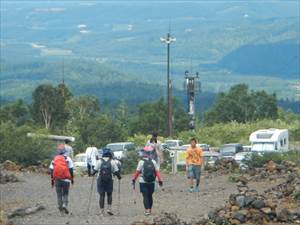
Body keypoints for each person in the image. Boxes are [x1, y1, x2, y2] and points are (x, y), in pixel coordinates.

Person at [132, 146, 163, 216]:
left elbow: (137, 172)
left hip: (143, 181)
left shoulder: (141, 162)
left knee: (145, 196)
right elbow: (157, 172)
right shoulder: (153, 161)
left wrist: (134, 179)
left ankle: (147, 210)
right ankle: (150, 209)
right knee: (150, 195)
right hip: (152, 182)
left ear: (143, 153)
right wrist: (160, 180)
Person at [93, 148, 121, 215]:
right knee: (109, 194)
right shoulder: (112, 162)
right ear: (110, 154)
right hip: (109, 180)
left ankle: (101, 211)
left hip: (100, 180)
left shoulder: (99, 161)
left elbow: (94, 171)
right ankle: (109, 209)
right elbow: (116, 172)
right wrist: (119, 177)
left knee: (102, 195)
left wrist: (92, 173)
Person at [49, 144, 74, 214]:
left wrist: (52, 181)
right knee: (65, 194)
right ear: (64, 151)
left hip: (57, 179)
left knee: (59, 195)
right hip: (66, 179)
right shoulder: (68, 158)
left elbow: (51, 170)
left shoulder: (54, 159)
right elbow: (71, 169)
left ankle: (61, 212)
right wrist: (72, 179)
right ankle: (65, 205)